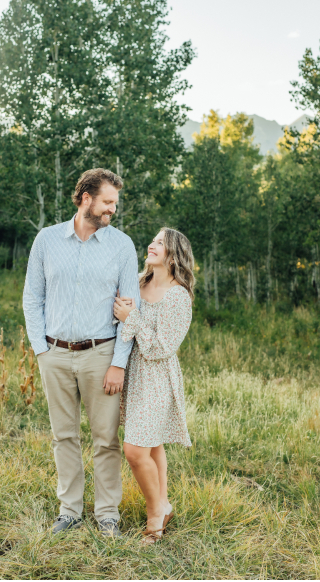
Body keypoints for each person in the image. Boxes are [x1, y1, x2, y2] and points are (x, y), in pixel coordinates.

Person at [22, 167, 141, 537]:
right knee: (64, 436)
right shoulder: (46, 240)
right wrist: (41, 351)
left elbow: (130, 310)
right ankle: (69, 510)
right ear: (86, 198)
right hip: (54, 354)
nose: (112, 210)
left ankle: (107, 514)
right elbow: (32, 297)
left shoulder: (122, 246)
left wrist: (118, 364)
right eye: (107, 202)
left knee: (105, 438)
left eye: (115, 204)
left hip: (102, 354)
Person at [114, 227, 195, 543]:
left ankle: (155, 514)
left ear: (174, 254)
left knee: (134, 450)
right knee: (153, 444)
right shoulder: (138, 281)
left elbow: (161, 348)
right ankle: (164, 504)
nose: (152, 245)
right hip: (133, 374)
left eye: (160, 243)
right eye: (153, 240)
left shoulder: (178, 296)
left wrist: (131, 319)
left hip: (157, 379)